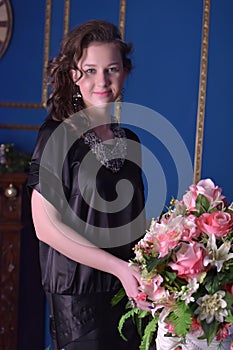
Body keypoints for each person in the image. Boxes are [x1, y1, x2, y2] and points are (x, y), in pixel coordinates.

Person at [27, 20, 150, 350]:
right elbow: (46, 227)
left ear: (125, 72)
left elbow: (131, 225)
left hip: (128, 293)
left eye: (111, 69)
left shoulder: (131, 140)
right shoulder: (55, 135)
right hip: (79, 301)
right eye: (90, 70)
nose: (102, 81)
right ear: (73, 75)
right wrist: (119, 269)